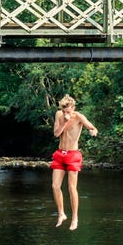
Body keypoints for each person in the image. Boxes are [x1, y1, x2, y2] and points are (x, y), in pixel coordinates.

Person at [50, 94, 98, 231]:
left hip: (73, 155)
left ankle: (75, 217)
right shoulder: (59, 115)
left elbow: (92, 127)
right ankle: (61, 214)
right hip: (60, 154)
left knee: (72, 188)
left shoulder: (79, 117)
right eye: (64, 111)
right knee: (55, 186)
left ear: (73, 108)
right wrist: (64, 121)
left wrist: (93, 132)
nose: (67, 113)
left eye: (69, 111)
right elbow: (56, 134)